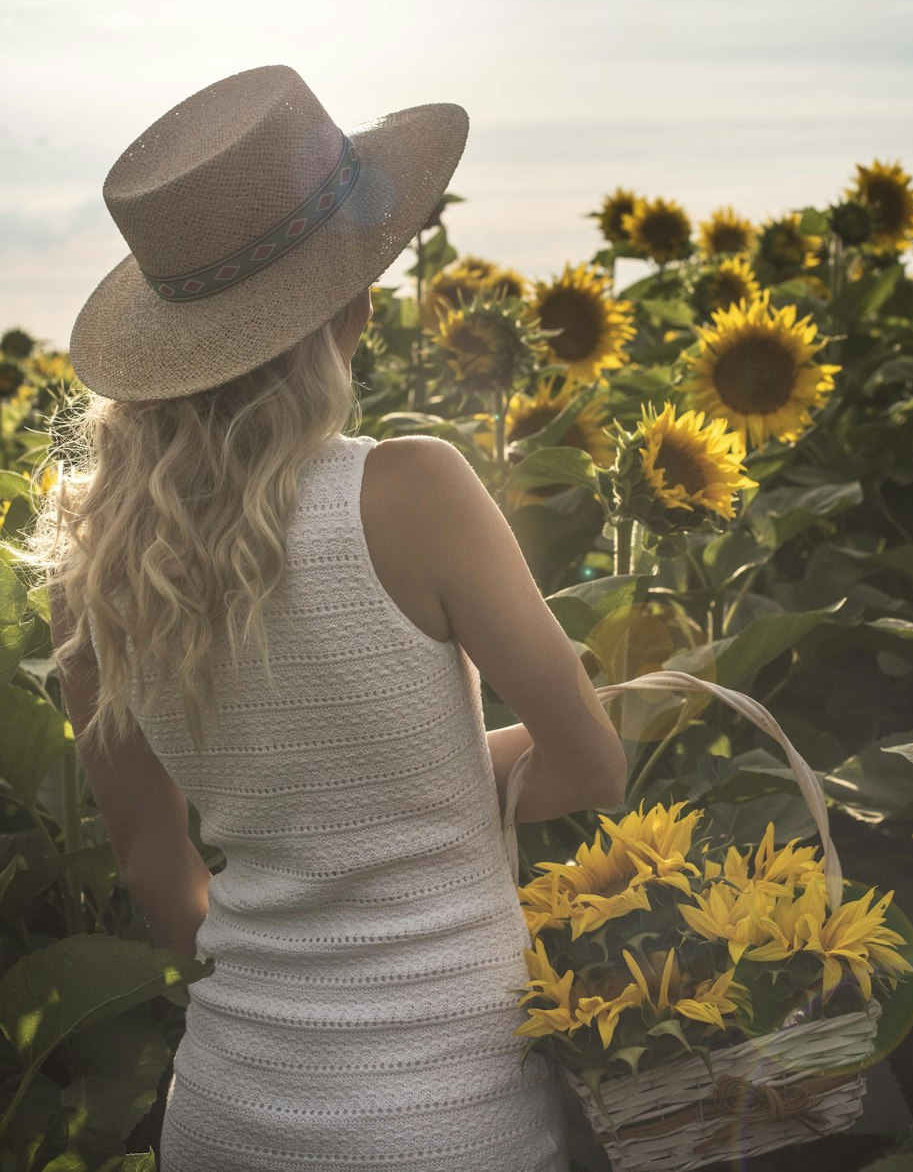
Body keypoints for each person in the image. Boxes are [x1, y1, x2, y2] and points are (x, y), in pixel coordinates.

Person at [30, 65, 627, 1172]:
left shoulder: (92, 567)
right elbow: (590, 767)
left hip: (225, 1110)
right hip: (450, 1120)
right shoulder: (412, 490)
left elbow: (159, 869)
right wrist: (440, 783)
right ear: (349, 309)